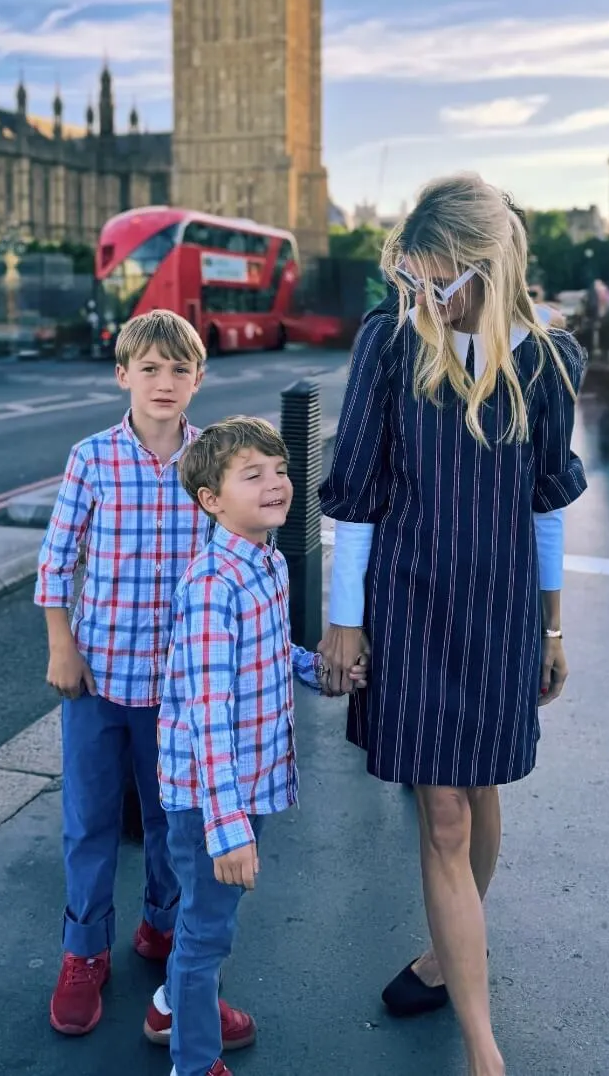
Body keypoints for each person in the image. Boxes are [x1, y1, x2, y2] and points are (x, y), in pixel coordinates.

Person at [319, 173, 587, 1076]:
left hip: (502, 612)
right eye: (412, 279)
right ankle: (483, 1046)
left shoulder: (547, 364)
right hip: (408, 606)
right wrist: (345, 623)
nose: (423, 298)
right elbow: (356, 491)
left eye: (440, 282)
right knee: (441, 813)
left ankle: (445, 955)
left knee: (480, 790)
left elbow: (546, 507)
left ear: (488, 267)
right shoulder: (390, 344)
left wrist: (553, 629)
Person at [34, 309, 253, 1046]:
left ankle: (165, 934)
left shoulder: (213, 463)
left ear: (200, 379)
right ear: (122, 374)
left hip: (180, 691)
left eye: (179, 369)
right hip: (98, 680)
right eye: (149, 368)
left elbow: (237, 561)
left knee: (172, 826)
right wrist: (61, 645)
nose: (164, 382)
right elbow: (56, 560)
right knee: (91, 819)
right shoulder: (92, 458)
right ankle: (83, 951)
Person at [149, 416, 366, 1076]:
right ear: (211, 499)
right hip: (212, 800)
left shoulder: (266, 562)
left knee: (207, 920)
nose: (275, 483)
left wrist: (315, 669)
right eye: (253, 474)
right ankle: (193, 1060)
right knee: (206, 931)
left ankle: (175, 1006)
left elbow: (268, 652)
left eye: (280, 470)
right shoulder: (212, 587)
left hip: (249, 785)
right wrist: (227, 828)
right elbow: (207, 715)